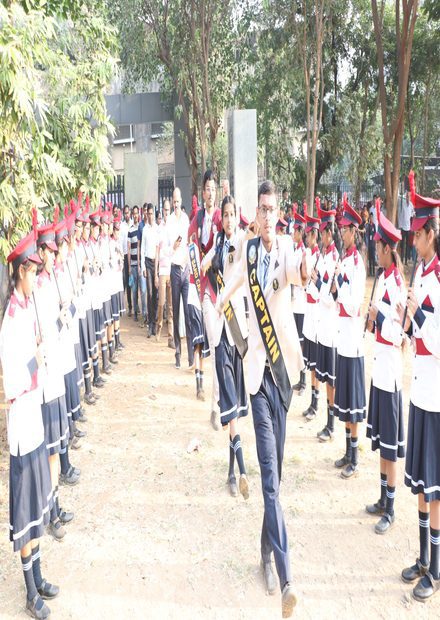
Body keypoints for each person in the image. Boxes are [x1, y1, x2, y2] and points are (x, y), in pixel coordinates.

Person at [216, 180, 305, 618]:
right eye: (263, 210)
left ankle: (265, 552)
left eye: (273, 209)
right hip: (257, 379)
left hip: (282, 376)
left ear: (279, 212)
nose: (268, 217)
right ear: (256, 213)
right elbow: (226, 292)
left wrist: (307, 265)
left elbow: (297, 271)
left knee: (277, 478)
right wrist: (230, 336)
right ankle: (286, 576)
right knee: (269, 476)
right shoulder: (248, 254)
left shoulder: (286, 249)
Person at [0, 228, 59, 620]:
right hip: (22, 426)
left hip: (34, 420)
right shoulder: (10, 320)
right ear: (21, 271)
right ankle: (28, 591)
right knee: (25, 514)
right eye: (33, 271)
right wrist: (36, 361)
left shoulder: (25, 310)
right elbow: (12, 382)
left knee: (37, 504)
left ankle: (38, 576)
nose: (37, 276)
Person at [399, 171, 440, 602]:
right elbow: (417, 335)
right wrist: (407, 321)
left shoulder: (439, 278)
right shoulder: (422, 274)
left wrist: (420, 317)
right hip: (421, 390)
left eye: (417, 234)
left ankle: (437, 569)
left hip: (437, 396)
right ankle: (425, 559)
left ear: (431, 234)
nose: (413, 240)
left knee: (435, 486)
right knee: (422, 483)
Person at [202, 195, 249, 499]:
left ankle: (232, 471)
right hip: (221, 332)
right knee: (230, 408)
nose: (229, 220)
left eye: (233, 215)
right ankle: (242, 471)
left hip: (238, 332)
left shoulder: (242, 242)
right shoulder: (218, 243)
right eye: (226, 215)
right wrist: (205, 261)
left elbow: (244, 273)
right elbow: (201, 264)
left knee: (234, 413)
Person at [365, 202, 406, 534]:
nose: (375, 252)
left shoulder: (398, 286)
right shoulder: (382, 279)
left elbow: (398, 334)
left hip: (391, 373)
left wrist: (378, 317)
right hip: (379, 370)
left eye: (378, 247)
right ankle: (382, 498)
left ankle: (391, 508)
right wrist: (372, 319)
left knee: (390, 447)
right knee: (381, 441)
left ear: (388, 250)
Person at [331, 196, 367, 479]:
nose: (341, 233)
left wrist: (339, 287)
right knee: (343, 402)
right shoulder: (343, 260)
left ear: (354, 231)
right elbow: (338, 300)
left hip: (353, 342)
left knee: (353, 405)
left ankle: (355, 456)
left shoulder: (357, 264)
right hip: (341, 339)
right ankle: (346, 450)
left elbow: (354, 305)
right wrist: (336, 289)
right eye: (341, 229)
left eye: (345, 229)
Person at [188, 170, 223, 430]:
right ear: (202, 192)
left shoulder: (222, 217)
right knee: (215, 344)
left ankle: (225, 401)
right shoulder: (198, 218)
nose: (210, 193)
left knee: (227, 347)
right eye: (207, 188)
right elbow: (190, 246)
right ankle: (216, 406)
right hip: (207, 289)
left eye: (213, 188)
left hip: (225, 288)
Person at [313, 205, 339, 442]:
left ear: (329, 233)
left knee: (331, 379)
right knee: (325, 377)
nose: (321, 236)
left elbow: (330, 298)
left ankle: (331, 425)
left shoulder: (334, 259)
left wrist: (318, 283)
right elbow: (317, 290)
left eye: (323, 233)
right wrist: (316, 283)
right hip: (322, 324)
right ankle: (327, 421)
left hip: (331, 328)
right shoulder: (323, 256)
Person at [167, 187, 193, 368]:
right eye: (174, 201)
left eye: (178, 201)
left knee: (188, 313)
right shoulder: (168, 221)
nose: (176, 204)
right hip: (175, 270)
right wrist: (173, 247)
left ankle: (191, 356)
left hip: (186, 270)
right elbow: (165, 249)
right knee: (175, 312)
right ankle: (178, 353)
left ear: (181, 201)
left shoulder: (185, 219)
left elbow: (190, 242)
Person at [302, 202, 321, 421]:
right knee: (311, 363)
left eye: (309, 234)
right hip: (309, 309)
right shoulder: (310, 253)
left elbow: (318, 290)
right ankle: (312, 401)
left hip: (317, 313)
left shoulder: (319, 257)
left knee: (316, 364)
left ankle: (316, 403)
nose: (307, 238)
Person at [290, 206, 307, 395]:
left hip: (302, 304)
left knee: (301, 343)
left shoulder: (304, 252)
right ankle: (299, 379)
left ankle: (303, 380)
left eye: (295, 230)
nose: (293, 233)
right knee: (295, 341)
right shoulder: (295, 249)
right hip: (294, 304)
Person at [155, 200, 174, 347]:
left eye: (168, 210)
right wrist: (155, 273)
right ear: (162, 211)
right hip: (162, 270)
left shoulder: (174, 225)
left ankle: (171, 335)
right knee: (161, 302)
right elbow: (157, 251)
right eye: (165, 210)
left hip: (172, 269)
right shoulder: (159, 229)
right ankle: (159, 326)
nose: (166, 212)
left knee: (171, 305)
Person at [140, 203, 159, 337]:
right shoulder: (145, 229)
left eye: (152, 214)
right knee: (150, 293)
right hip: (147, 263)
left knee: (156, 294)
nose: (150, 216)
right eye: (149, 214)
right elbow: (142, 249)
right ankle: (150, 324)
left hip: (155, 263)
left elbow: (159, 249)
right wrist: (143, 267)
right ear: (146, 214)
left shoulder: (157, 229)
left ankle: (155, 322)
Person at [128, 205, 140, 320]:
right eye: (134, 214)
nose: (135, 215)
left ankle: (144, 312)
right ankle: (135, 312)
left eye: (137, 213)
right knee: (134, 290)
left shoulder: (142, 228)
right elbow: (128, 249)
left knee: (143, 290)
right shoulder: (130, 230)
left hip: (141, 265)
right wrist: (129, 267)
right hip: (133, 264)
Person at [120, 205, 132, 316]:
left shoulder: (133, 224)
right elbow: (120, 241)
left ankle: (133, 306)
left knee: (132, 282)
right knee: (125, 281)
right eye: (125, 213)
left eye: (128, 213)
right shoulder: (121, 226)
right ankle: (126, 306)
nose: (127, 214)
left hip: (132, 256)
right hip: (124, 256)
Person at [365, 212, 377, 277]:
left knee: (373, 258)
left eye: (372, 217)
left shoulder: (374, 225)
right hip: (369, 244)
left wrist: (375, 242)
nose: (371, 218)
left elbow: (375, 234)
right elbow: (367, 234)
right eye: (370, 217)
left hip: (373, 243)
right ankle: (370, 272)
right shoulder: (368, 225)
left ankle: (373, 272)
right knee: (370, 259)